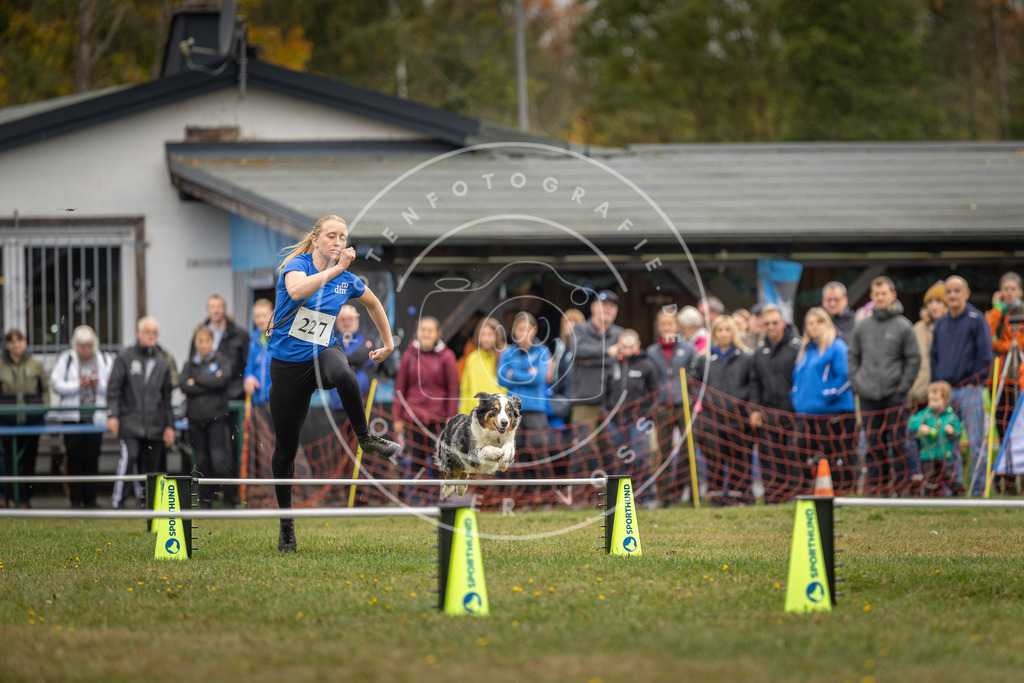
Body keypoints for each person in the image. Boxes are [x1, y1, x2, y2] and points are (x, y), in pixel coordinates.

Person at [266, 215, 401, 551]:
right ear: (316, 240)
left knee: (342, 371)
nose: (338, 242)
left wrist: (388, 344)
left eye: (343, 237)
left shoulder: (346, 280)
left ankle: (366, 437)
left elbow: (373, 303)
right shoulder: (296, 265)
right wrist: (336, 270)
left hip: (322, 355)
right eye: (331, 236)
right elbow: (297, 291)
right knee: (285, 451)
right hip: (287, 368)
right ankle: (286, 523)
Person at [848, 276, 921, 496]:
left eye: (884, 293)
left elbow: (913, 359)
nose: (880, 297)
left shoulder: (903, 326)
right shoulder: (862, 327)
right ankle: (877, 488)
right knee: (872, 444)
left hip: (894, 395)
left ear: (893, 295)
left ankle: (902, 487)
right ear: (871, 297)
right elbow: (853, 357)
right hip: (868, 396)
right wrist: (857, 383)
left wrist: (903, 387)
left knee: (899, 443)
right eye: (876, 294)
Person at [930, 275, 993, 496]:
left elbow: (986, 358)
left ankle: (977, 490)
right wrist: (939, 387)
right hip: (947, 394)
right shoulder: (941, 324)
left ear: (966, 293)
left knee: (976, 443)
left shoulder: (977, 319)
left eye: (957, 291)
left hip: (971, 392)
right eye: (949, 291)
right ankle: (954, 488)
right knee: (948, 443)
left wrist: (971, 382)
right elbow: (934, 357)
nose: (953, 295)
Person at [107, 317, 177, 509]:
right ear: (139, 334)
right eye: (148, 332)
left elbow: (167, 399)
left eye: (155, 332)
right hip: (130, 421)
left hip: (155, 424)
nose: (151, 335)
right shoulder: (125, 358)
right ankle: (118, 502)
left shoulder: (163, 363)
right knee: (130, 457)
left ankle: (149, 504)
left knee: (152, 467)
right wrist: (112, 414)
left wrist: (170, 426)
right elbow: (114, 389)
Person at [790, 307, 856, 494]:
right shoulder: (806, 351)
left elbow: (846, 376)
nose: (814, 327)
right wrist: (796, 396)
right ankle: (809, 490)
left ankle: (844, 490)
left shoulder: (837, 347)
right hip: (808, 413)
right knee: (801, 451)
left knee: (837, 454)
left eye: (818, 322)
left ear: (826, 323)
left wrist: (829, 394)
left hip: (835, 412)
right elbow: (797, 379)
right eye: (810, 323)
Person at [393, 316, 459, 498]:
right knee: (416, 461)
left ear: (438, 334)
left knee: (441, 460)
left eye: (430, 330)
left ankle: (441, 498)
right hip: (413, 419)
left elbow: (453, 389)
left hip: (439, 420)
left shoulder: (447, 356)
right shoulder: (408, 356)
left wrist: (450, 417)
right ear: (417, 333)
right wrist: (397, 417)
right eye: (423, 329)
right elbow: (400, 388)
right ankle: (421, 498)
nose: (427, 333)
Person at [690, 316, 753, 503]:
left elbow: (752, 384)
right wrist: (707, 400)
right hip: (712, 420)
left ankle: (740, 497)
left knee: (740, 460)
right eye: (719, 330)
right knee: (714, 460)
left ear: (733, 332)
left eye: (727, 329)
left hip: (739, 419)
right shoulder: (704, 359)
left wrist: (741, 399)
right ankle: (716, 497)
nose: (723, 333)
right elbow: (693, 384)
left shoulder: (746, 357)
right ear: (714, 333)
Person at [50, 325, 113, 509]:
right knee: (74, 457)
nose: (85, 349)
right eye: (81, 345)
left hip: (96, 418)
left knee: (92, 457)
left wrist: (97, 384)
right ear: (75, 345)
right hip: (72, 417)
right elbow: (55, 384)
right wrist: (77, 385)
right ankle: (75, 500)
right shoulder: (67, 358)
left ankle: (91, 499)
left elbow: (113, 386)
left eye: (89, 345)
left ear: (94, 344)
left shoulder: (104, 358)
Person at [748, 304, 803, 502]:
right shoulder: (760, 351)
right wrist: (754, 409)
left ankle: (796, 496)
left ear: (783, 324)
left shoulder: (798, 346)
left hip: (794, 413)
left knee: (794, 454)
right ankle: (773, 497)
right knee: (770, 457)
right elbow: (754, 383)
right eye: (767, 323)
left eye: (775, 323)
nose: (771, 327)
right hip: (768, 413)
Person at [603, 328, 663, 506]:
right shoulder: (611, 364)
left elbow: (656, 393)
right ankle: (624, 498)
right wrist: (608, 412)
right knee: (621, 459)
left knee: (640, 458)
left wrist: (646, 413)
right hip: (615, 422)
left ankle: (646, 496)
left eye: (631, 346)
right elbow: (605, 392)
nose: (627, 349)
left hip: (639, 421)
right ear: (619, 345)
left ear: (637, 345)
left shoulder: (647, 365)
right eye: (624, 345)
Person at [569, 290, 624, 473]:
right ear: (593, 307)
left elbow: (625, 357)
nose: (608, 309)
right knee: (581, 449)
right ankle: (576, 496)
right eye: (604, 305)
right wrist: (608, 352)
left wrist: (591, 359)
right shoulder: (579, 330)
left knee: (612, 449)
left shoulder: (620, 333)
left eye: (612, 306)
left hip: (613, 401)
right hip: (586, 399)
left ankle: (613, 496)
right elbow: (578, 351)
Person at [646, 308, 698, 501]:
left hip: (684, 405)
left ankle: (693, 493)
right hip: (662, 408)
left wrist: (694, 400)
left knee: (689, 449)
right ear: (658, 327)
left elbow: (696, 377)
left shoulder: (688, 349)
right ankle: (664, 496)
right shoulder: (651, 352)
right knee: (664, 451)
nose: (666, 327)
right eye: (663, 324)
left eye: (670, 323)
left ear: (676, 326)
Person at [180, 326, 235, 507]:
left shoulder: (221, 360)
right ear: (196, 343)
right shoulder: (189, 364)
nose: (203, 345)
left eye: (207, 341)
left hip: (217, 418)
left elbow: (223, 380)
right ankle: (205, 500)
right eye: (200, 341)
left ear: (212, 342)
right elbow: (183, 386)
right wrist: (210, 380)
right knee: (201, 462)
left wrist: (196, 380)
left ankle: (229, 498)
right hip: (195, 420)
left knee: (219, 460)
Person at [499, 312, 552, 485]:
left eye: (527, 329)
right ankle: (523, 494)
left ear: (534, 330)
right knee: (516, 451)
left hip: (536, 409)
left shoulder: (542, 351)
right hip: (513, 410)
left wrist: (514, 374)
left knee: (539, 448)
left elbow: (539, 378)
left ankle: (545, 492)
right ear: (514, 331)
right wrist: (527, 375)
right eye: (520, 329)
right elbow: (501, 378)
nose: (524, 333)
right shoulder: (508, 352)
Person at [0, 330, 50, 507]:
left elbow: (45, 389)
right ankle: (9, 496)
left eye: (19, 340)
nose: (16, 345)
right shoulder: (1, 365)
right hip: (7, 422)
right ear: (6, 345)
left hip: (32, 421)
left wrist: (43, 409)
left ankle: (25, 499)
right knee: (9, 461)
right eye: (12, 341)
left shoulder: (35, 364)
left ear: (26, 342)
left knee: (29, 460)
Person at [188, 294, 249, 400]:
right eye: (212, 307)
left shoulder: (240, 335)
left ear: (225, 309)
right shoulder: (199, 335)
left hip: (233, 394)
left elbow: (247, 363)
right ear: (208, 310)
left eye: (219, 306)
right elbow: (192, 362)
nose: (216, 310)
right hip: (206, 396)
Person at [909, 381, 962, 496]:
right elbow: (912, 423)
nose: (932, 403)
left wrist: (952, 431)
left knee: (949, 476)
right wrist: (921, 427)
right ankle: (929, 497)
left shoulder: (951, 417)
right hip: (928, 455)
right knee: (929, 478)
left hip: (945, 455)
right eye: (930, 400)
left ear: (945, 400)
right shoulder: (925, 414)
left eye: (936, 400)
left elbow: (958, 431)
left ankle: (958, 494)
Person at [907, 283, 948, 404]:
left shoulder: (953, 328)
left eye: (938, 302)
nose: (934, 306)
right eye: (930, 302)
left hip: (945, 394)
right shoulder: (918, 328)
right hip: (920, 393)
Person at [459, 317, 506, 415]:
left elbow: (510, 386)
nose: (486, 339)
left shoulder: (506, 354)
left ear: (498, 335)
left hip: (500, 415)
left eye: (490, 335)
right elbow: (465, 389)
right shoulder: (472, 358)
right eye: (483, 335)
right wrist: (463, 415)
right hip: (475, 415)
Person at [243, 298, 274, 408]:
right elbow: (249, 368)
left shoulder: (280, 340)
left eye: (265, 315)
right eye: (257, 316)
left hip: (277, 402)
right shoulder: (253, 342)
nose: (261, 320)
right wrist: (248, 378)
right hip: (258, 402)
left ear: (273, 315)